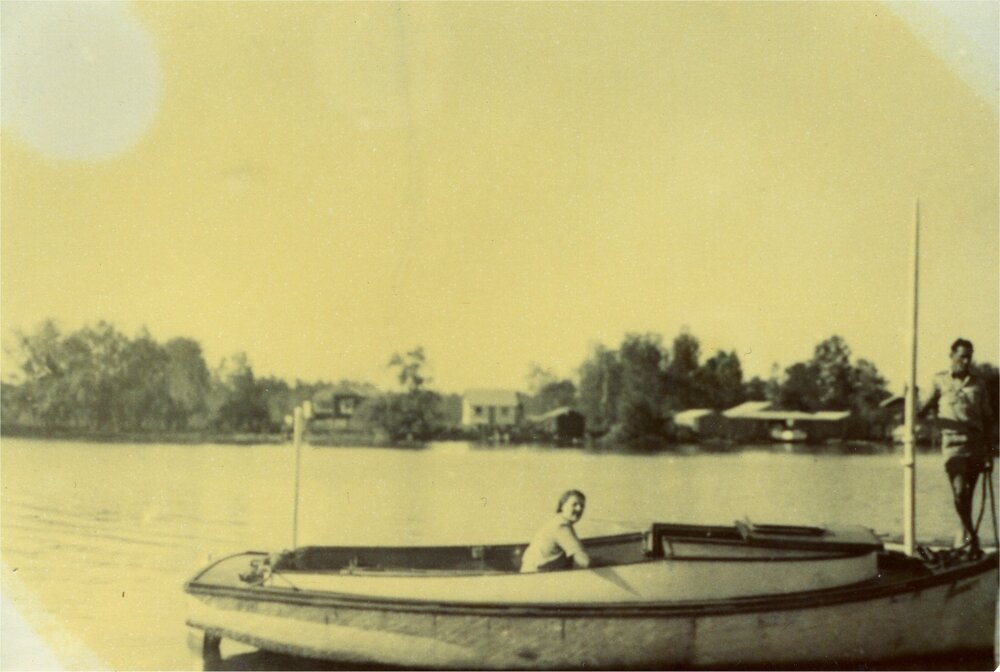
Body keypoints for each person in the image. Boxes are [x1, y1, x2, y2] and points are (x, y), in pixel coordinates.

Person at [919, 338, 993, 556]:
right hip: (953, 447)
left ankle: (963, 540)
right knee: (960, 492)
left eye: (969, 356)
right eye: (962, 356)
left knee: (968, 495)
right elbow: (921, 409)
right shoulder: (939, 381)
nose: (966, 360)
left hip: (976, 446)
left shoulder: (978, 384)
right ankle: (974, 540)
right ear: (951, 355)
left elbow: (988, 419)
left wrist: (988, 453)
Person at [520, 490, 591, 572]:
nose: (579, 509)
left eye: (582, 506)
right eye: (574, 504)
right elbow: (584, 561)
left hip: (532, 574)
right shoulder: (561, 526)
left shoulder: (555, 521)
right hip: (538, 577)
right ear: (562, 506)